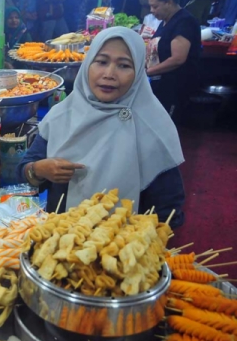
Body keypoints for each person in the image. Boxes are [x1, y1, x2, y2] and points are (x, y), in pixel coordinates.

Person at [17, 27, 185, 228]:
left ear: (139, 71)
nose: (109, 74)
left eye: (124, 65)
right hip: (60, 242)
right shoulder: (62, 115)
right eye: (102, 62)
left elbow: (169, 212)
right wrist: (38, 170)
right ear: (88, 64)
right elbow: (25, 170)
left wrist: (145, 245)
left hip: (119, 249)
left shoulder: (153, 125)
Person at [146, 0, 200, 118]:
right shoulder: (165, 21)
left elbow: (178, 59)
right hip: (162, 83)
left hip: (175, 86)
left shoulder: (184, 22)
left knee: (167, 124)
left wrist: (148, 72)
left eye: (155, 6)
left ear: (169, 3)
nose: (151, 10)